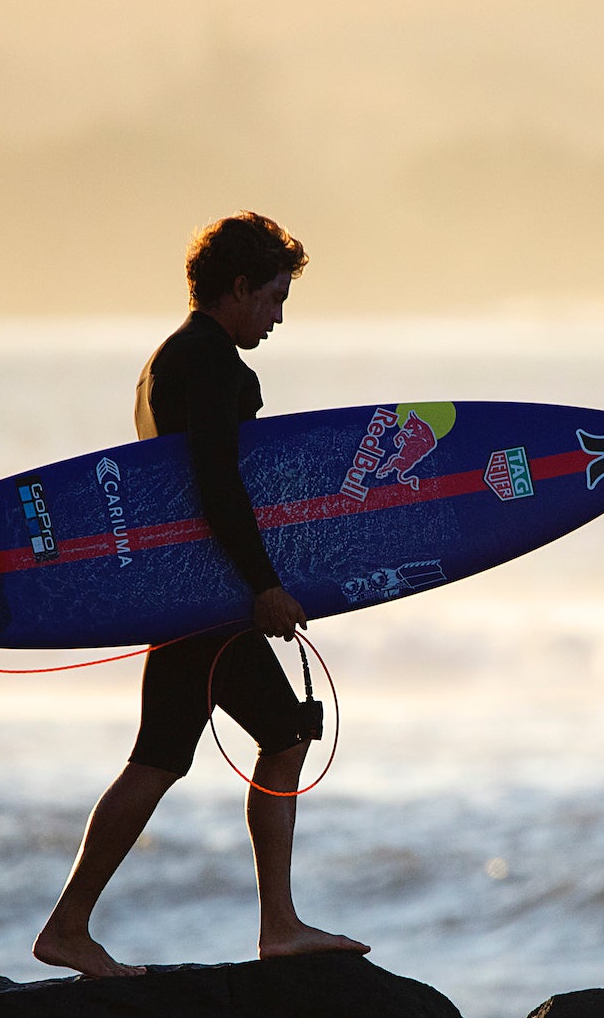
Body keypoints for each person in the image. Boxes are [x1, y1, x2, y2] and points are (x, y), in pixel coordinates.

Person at [32, 212, 370, 978]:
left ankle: (80, 924)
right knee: (235, 745)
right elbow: (219, 486)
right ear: (240, 287)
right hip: (208, 596)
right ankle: (257, 926)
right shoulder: (214, 364)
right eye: (276, 297)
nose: (280, 316)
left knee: (203, 748)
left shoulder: (161, 363)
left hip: (181, 591)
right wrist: (265, 586)